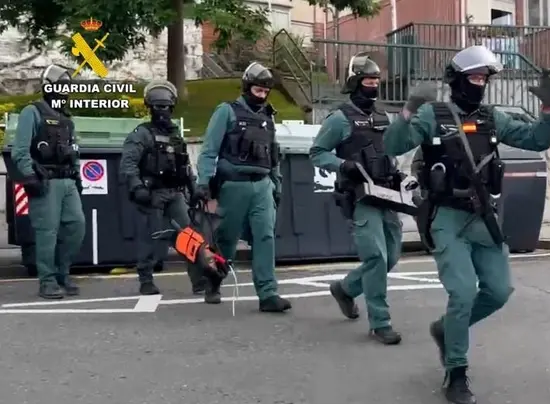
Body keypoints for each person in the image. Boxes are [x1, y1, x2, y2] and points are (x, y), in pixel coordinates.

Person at [382, 45, 550, 404]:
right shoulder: (434, 114)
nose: (479, 84)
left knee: (499, 290)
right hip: (446, 217)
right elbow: (394, 144)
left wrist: (547, 109)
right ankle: (457, 371)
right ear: (457, 79)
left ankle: (446, 329)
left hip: (484, 216)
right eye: (474, 77)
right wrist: (409, 110)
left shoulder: (493, 118)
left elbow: (537, 140)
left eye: (484, 78)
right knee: (462, 292)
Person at [309, 53, 407, 345]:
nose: (373, 86)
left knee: (391, 257)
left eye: (376, 81)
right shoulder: (339, 119)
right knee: (376, 257)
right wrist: (343, 165)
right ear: (355, 83)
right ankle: (380, 322)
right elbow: (317, 152)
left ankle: (346, 288)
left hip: (388, 194)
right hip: (361, 196)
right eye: (367, 81)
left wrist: (398, 174)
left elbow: (388, 151)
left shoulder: (383, 117)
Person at [194, 61, 291, 312]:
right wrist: (203, 181)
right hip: (233, 187)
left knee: (265, 238)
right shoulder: (227, 111)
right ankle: (215, 280)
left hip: (262, 187)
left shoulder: (268, 117)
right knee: (226, 240)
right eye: (258, 90)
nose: (262, 95)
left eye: (265, 91)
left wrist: (276, 184)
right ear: (247, 87)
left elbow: (273, 154)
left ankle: (268, 294)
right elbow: (209, 150)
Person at [119, 80, 210, 299]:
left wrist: (194, 188)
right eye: (158, 107)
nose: (163, 112)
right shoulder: (141, 134)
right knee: (148, 237)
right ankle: (146, 280)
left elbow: (185, 166)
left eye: (166, 107)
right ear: (150, 107)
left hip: (175, 192)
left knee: (189, 236)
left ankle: (199, 280)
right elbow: (128, 164)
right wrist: (137, 187)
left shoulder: (175, 135)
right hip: (152, 194)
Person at [11, 64, 86, 300]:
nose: (65, 92)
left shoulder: (66, 119)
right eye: (62, 87)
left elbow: (74, 150)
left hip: (67, 181)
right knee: (47, 232)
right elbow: (20, 151)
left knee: (76, 226)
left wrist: (77, 175)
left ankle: (63, 272)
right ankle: (47, 280)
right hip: (45, 181)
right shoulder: (31, 113)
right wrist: (29, 175)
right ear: (49, 87)